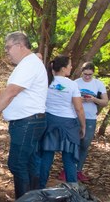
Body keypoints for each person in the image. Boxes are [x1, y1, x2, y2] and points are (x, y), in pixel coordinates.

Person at [0, 31, 48, 199]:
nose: (6, 51)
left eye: (8, 47)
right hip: (30, 122)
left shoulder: (29, 64)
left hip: (28, 123)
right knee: (29, 163)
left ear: (20, 45)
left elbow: (11, 92)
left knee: (17, 164)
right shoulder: (30, 62)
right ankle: (33, 197)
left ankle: (25, 198)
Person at [39, 55, 85, 188]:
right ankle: (73, 190)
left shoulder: (47, 81)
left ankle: (40, 187)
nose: (71, 67)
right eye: (70, 65)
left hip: (49, 121)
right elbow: (79, 108)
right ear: (64, 68)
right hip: (68, 125)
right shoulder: (72, 84)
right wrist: (83, 126)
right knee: (69, 158)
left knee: (46, 156)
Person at [68, 62, 108, 181]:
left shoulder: (98, 84)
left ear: (93, 73)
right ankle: (69, 170)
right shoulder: (75, 83)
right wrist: (78, 100)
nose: (87, 77)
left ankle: (78, 170)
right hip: (74, 116)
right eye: (85, 74)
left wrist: (94, 99)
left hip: (90, 117)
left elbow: (105, 102)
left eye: (90, 75)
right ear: (82, 72)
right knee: (73, 144)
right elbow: (67, 99)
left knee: (85, 144)